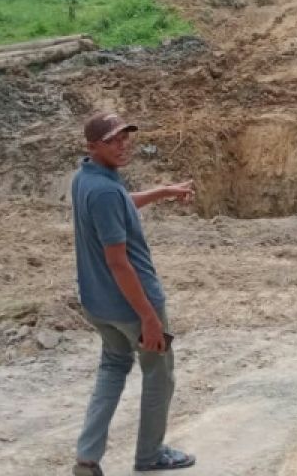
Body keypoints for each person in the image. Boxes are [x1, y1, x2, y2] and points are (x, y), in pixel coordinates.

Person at [72, 111, 197, 476]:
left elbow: (121, 205)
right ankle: (150, 455)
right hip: (132, 304)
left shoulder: (86, 179)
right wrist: (148, 317)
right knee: (159, 373)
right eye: (112, 140)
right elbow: (118, 262)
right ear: (92, 146)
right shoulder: (106, 190)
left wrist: (163, 191)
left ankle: (87, 457)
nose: (122, 145)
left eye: (124, 137)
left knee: (112, 368)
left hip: (98, 303)